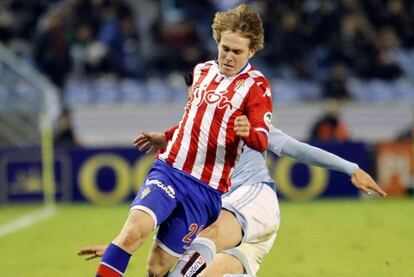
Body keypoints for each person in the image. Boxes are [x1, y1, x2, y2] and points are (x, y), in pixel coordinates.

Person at [93, 4, 273, 277]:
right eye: (224, 48)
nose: (228, 57)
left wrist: (250, 132)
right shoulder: (202, 71)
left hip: (205, 191)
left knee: (157, 268)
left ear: (252, 51)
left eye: (237, 52)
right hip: (170, 170)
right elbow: (195, 121)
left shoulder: (257, 87)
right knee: (133, 233)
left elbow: (262, 139)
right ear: (217, 42)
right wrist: (165, 137)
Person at [79, 125, 387, 276]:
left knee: (204, 241)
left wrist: (352, 168)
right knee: (163, 270)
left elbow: (296, 148)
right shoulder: (195, 137)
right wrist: (119, 246)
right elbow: (172, 219)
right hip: (233, 229)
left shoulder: (249, 125)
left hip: (253, 201)